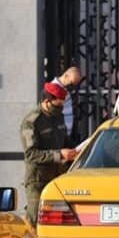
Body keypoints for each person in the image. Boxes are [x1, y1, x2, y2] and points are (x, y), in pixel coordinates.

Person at [20, 82, 77, 226]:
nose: (60, 109)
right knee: (35, 220)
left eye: (62, 106)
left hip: (57, 177)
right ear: (46, 102)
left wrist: (74, 151)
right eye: (57, 106)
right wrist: (59, 155)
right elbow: (31, 154)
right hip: (38, 180)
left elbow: (64, 140)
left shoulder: (58, 117)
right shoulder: (32, 122)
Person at [51, 66, 84, 139]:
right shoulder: (53, 89)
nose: (72, 86)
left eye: (74, 84)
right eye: (71, 83)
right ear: (66, 76)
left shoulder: (64, 90)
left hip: (64, 134)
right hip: (58, 134)